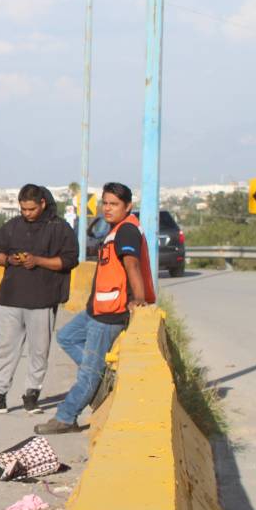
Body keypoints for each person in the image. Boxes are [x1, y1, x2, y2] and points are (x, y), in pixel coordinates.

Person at [35, 182, 155, 435]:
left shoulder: (127, 232)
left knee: (88, 371)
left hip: (112, 312)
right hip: (97, 309)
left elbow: (132, 265)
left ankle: (66, 417)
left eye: (114, 204)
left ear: (128, 206)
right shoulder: (115, 230)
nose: (108, 208)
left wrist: (140, 299)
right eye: (106, 203)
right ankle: (99, 376)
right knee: (66, 337)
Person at [0, 185, 78, 416]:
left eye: (31, 209)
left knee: (39, 351)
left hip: (43, 300)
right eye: (23, 209)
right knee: (4, 349)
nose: (27, 213)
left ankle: (32, 395)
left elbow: (69, 260)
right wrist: (10, 260)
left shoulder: (60, 229)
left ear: (42, 203)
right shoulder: (12, 227)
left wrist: (38, 261)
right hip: (11, 299)